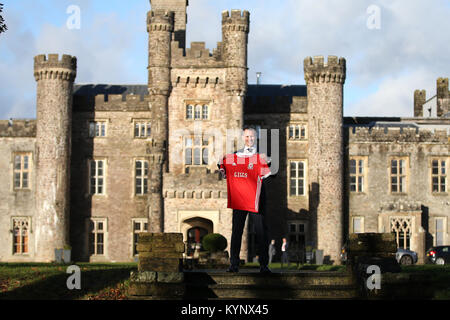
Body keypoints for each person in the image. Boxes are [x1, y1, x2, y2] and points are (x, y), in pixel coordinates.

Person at [218, 126, 273, 274]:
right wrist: (222, 161)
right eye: (247, 136)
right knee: (236, 231)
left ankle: (263, 264)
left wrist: (268, 162)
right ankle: (234, 263)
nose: (250, 139)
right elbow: (222, 168)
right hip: (239, 199)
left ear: (256, 138)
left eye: (252, 137)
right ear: (243, 138)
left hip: (257, 199)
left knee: (262, 232)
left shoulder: (262, 156)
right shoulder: (233, 156)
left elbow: (272, 173)